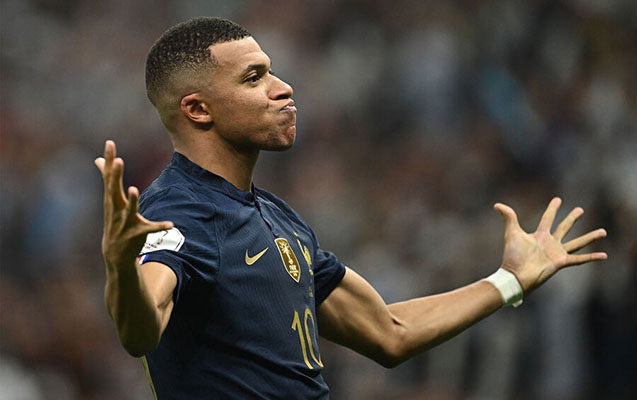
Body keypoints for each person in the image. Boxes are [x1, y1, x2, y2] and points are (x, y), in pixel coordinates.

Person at [94, 17, 608, 399]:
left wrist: (509, 281)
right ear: (197, 109)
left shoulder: (277, 217)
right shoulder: (179, 209)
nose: (282, 87)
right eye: (253, 78)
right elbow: (141, 329)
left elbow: (388, 331)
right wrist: (121, 266)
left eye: (272, 72)